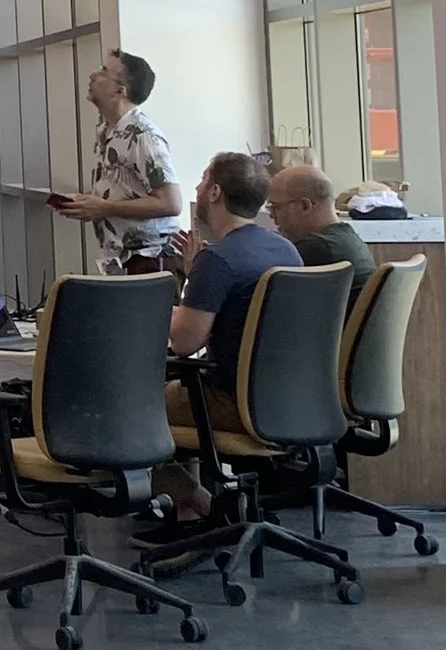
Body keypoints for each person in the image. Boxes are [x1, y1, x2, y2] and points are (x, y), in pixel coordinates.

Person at [148, 149, 297, 527]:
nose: (196, 187)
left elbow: (183, 344)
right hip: (288, 397)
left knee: (121, 408)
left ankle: (204, 502)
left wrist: (155, 310)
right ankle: (187, 518)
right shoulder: (284, 249)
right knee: (180, 392)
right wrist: (193, 276)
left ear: (215, 192)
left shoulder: (218, 260)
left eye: (201, 179)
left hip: (231, 400)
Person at [50, 48, 181, 266]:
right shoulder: (105, 131)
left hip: (149, 257)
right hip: (118, 258)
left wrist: (104, 207)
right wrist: (85, 203)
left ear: (121, 90)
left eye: (103, 71)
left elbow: (171, 203)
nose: (93, 76)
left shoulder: (143, 135)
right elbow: (124, 190)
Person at [267, 161, 374, 294]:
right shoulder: (345, 239)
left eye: (276, 207)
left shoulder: (317, 248)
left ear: (305, 206)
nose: (271, 215)